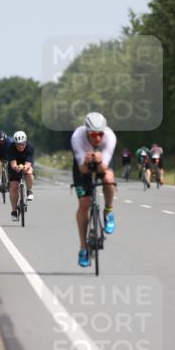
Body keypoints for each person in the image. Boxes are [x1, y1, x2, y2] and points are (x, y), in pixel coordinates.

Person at [71, 112, 117, 267]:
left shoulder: (110, 137)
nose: (97, 138)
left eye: (100, 134)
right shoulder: (78, 137)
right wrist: (87, 160)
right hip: (83, 166)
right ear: (86, 132)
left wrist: (99, 160)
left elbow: (104, 167)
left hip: (102, 162)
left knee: (109, 180)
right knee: (84, 204)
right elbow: (83, 170)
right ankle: (83, 248)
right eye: (93, 135)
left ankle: (108, 211)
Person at [7, 130, 35, 220]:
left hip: (26, 164)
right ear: (15, 144)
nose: (21, 146)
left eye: (23, 144)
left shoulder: (30, 147)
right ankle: (14, 211)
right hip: (15, 166)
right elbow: (13, 164)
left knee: (29, 172)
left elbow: (28, 163)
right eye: (19, 144)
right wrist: (16, 168)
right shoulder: (10, 148)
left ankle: (29, 191)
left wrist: (25, 167)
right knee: (14, 187)